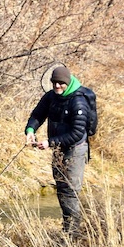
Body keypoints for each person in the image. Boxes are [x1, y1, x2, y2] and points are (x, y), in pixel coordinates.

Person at [24, 65, 90, 234]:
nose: (57, 86)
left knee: (70, 190)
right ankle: (68, 229)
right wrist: (30, 130)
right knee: (61, 188)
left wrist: (50, 142)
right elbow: (37, 115)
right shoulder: (51, 97)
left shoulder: (79, 101)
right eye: (54, 82)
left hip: (75, 150)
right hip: (58, 149)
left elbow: (77, 133)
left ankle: (73, 233)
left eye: (61, 83)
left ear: (68, 82)